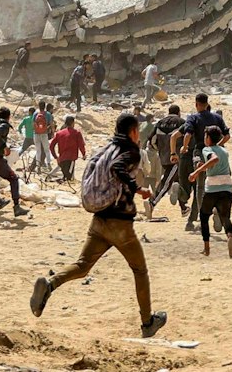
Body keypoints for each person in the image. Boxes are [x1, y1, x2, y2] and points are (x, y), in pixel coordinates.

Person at [30, 113, 167, 338]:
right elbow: (118, 169)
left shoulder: (106, 148)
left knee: (83, 266)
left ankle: (49, 285)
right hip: (119, 223)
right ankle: (147, 322)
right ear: (133, 132)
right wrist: (137, 188)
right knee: (140, 270)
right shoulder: (129, 151)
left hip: (99, 219)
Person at [180, 93, 231, 231]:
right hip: (219, 155)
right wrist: (217, 145)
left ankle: (204, 217)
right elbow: (227, 136)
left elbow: (188, 134)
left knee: (200, 187)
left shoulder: (193, 117)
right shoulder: (217, 117)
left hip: (200, 153)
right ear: (207, 104)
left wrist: (184, 147)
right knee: (219, 187)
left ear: (196, 104)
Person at [188, 125, 232, 257]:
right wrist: (202, 166)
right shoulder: (224, 150)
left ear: (208, 138)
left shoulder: (206, 149)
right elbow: (215, 163)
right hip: (227, 187)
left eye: (205, 136)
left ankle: (207, 248)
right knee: (225, 217)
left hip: (212, 188)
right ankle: (229, 236)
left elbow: (214, 159)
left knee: (204, 217)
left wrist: (196, 172)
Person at [52, 114, 87, 182]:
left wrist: (56, 157)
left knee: (66, 177)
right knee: (68, 179)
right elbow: (81, 145)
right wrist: (84, 154)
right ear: (73, 123)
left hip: (61, 159)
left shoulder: (59, 133)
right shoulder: (77, 133)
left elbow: (51, 146)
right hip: (71, 159)